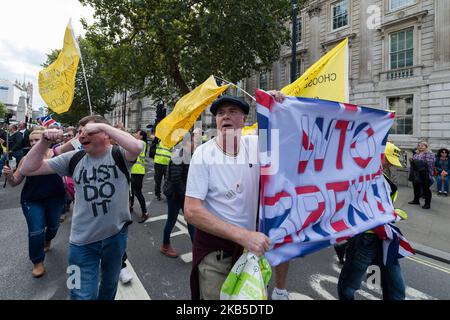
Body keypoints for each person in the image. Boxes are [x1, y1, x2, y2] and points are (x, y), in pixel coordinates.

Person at [19, 115, 143, 300]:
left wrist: (102, 125)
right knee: (78, 292)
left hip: (116, 237)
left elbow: (137, 146)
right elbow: (27, 169)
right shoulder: (73, 158)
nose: (82, 135)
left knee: (109, 287)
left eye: (89, 131)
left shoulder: (119, 155)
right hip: (81, 242)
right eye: (79, 132)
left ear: (106, 134)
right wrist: (44, 142)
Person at [184, 92, 284, 300]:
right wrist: (244, 235)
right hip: (216, 256)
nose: (225, 116)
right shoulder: (203, 154)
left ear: (244, 119)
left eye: (232, 111)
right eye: (220, 113)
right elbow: (192, 211)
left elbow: (283, 131)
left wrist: (276, 104)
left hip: (251, 255)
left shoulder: (256, 145)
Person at [337, 142, 407, 300]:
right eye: (387, 159)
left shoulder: (383, 177)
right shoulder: (362, 175)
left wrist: (393, 214)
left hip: (385, 238)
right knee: (349, 284)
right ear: (379, 156)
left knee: (396, 287)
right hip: (365, 237)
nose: (390, 164)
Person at [2, 128, 66, 278]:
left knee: (53, 227)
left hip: (55, 198)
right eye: (31, 141)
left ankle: (48, 239)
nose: (34, 143)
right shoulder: (26, 159)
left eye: (37, 140)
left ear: (47, 140)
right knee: (36, 230)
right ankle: (37, 262)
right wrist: (10, 175)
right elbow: (15, 182)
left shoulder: (57, 155)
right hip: (32, 200)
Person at [160, 133, 196, 258]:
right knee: (171, 221)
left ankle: (196, 249)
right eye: (193, 142)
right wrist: (187, 195)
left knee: (192, 222)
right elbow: (176, 179)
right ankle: (165, 245)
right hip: (175, 195)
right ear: (186, 143)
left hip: (183, 194)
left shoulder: (189, 155)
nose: (195, 144)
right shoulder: (179, 156)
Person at [408, 141, 435, 209]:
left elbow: (429, 163)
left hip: (425, 174)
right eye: (419, 145)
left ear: (426, 147)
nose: (420, 147)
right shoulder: (416, 153)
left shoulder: (429, 154)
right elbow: (414, 162)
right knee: (416, 187)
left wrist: (416, 161)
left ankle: (427, 204)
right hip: (416, 173)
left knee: (426, 189)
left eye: (422, 146)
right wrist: (412, 160)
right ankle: (416, 200)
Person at [130, 129, 149, 223]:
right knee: (131, 191)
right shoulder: (137, 142)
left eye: (137, 133)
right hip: (132, 170)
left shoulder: (142, 143)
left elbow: (130, 142)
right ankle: (131, 206)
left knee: (137, 192)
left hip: (138, 171)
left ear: (141, 136)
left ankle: (145, 212)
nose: (134, 134)